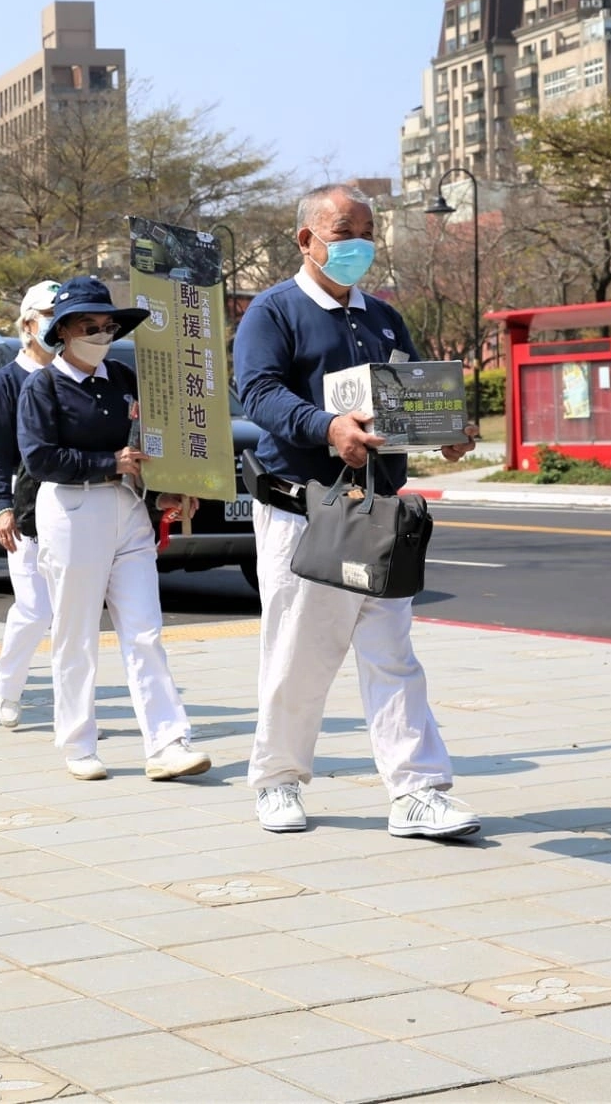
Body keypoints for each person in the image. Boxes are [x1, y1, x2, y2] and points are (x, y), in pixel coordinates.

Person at [234, 183, 481, 839]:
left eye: (368, 232)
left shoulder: (383, 317)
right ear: (306, 240)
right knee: (297, 652)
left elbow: (406, 396)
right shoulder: (273, 312)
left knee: (392, 651)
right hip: (305, 510)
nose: (359, 246)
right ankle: (278, 779)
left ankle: (417, 792)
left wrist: (442, 430)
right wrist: (325, 427)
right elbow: (257, 392)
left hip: (378, 512)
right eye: (344, 233)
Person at [18, 277, 212, 783]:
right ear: (62, 332)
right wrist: (109, 462)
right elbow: (39, 457)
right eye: (89, 326)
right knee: (76, 633)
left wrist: (164, 489)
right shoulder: (42, 385)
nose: (100, 334)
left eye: (107, 326)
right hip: (71, 511)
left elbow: (148, 444)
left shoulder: (122, 377)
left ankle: (168, 742)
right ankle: (79, 742)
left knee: (145, 630)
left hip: (127, 510)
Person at [0, 280, 62, 728]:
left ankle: (69, 705)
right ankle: (8, 685)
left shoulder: (71, 375)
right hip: (26, 502)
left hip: (72, 500)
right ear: (28, 323)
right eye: (48, 314)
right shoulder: (7, 380)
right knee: (34, 608)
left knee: (69, 612)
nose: (55, 323)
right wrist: (1, 507)